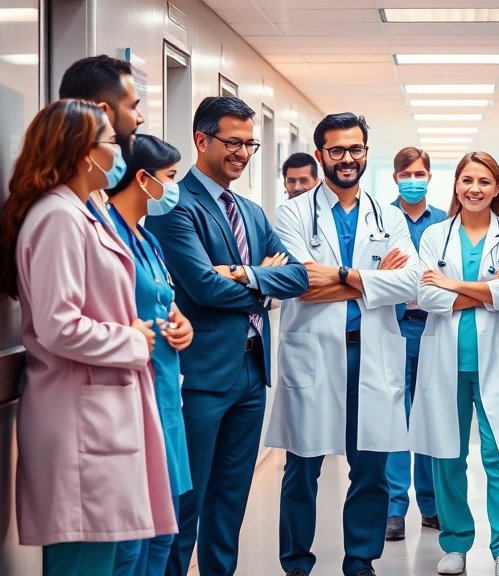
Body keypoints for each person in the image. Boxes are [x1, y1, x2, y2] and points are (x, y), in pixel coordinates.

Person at [0, 99, 175, 576]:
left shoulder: (82, 211)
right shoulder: (58, 217)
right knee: (84, 562)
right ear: (83, 152)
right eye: (112, 143)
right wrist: (133, 340)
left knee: (105, 557)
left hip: (98, 411)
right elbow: (59, 324)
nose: (119, 152)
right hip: (78, 419)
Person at [144, 97, 310, 576]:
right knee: (187, 499)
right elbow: (201, 286)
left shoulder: (252, 212)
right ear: (202, 140)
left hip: (251, 373)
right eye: (232, 142)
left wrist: (240, 273)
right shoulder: (175, 206)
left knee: (231, 500)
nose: (242, 152)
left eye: (249, 143)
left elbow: (297, 276)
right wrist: (263, 285)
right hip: (201, 375)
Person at [266, 113, 421, 576]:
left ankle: (360, 561)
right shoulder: (292, 212)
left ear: (366, 153)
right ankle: (296, 563)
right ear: (320, 155)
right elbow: (298, 282)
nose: (347, 158)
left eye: (355, 149)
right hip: (314, 351)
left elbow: (410, 282)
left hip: (371, 353)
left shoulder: (388, 215)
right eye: (336, 150)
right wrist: (374, 281)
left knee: (370, 469)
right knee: (302, 467)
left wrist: (341, 277)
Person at [408, 151, 499, 576]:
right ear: (456, 185)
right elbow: (426, 297)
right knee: (448, 456)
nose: (474, 188)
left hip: (495, 361)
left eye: (484, 181)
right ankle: (456, 544)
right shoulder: (434, 236)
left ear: (497, 188)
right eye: (467, 180)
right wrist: (485, 289)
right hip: (446, 361)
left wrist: (454, 286)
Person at [105, 134, 196, 576]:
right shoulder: (107, 237)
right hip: (133, 399)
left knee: (165, 527)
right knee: (133, 534)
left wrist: (182, 324)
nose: (173, 189)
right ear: (143, 179)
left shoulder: (148, 239)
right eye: (170, 178)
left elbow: (165, 302)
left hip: (166, 395)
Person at [384, 146, 446, 541]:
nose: (412, 180)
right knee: (393, 414)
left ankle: (431, 504)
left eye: (419, 173)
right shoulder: (380, 217)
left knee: (429, 413)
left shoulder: (445, 222)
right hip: (393, 325)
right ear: (395, 178)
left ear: (429, 177)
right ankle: (394, 508)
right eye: (405, 174)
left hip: (434, 326)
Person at [58, 55, 146, 218]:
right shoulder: (60, 212)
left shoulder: (96, 193)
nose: (140, 118)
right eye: (133, 107)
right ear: (102, 113)